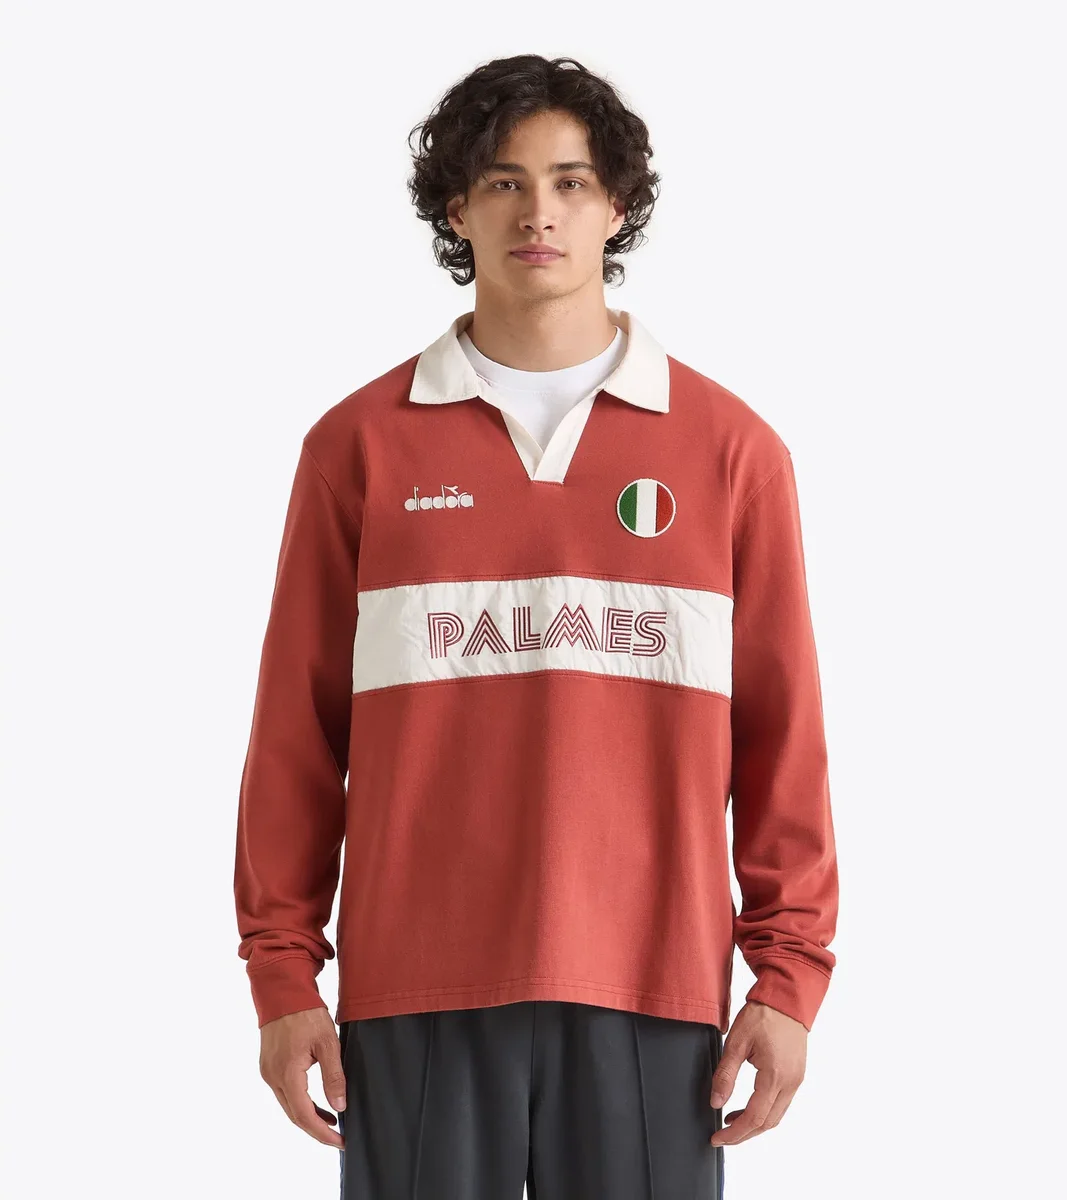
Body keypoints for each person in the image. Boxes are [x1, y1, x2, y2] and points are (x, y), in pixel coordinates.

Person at [234, 53, 839, 1199]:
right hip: (414, 991)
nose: (538, 213)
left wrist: (786, 978)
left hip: (653, 993)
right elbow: (294, 741)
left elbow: (782, 742)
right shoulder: (357, 450)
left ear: (617, 207)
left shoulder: (730, 454)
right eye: (503, 183)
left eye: (569, 182)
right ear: (455, 210)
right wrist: (281, 977)